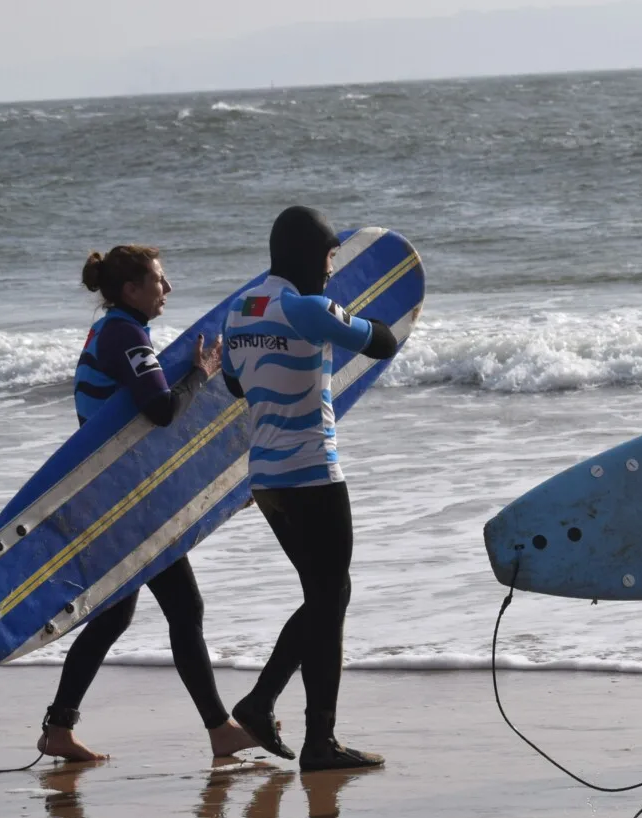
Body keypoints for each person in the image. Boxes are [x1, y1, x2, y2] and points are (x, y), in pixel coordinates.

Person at [38, 247, 257, 762]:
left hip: (121, 494)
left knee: (118, 616)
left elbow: (143, 431)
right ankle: (220, 730)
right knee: (185, 608)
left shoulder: (114, 329)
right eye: (159, 279)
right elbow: (160, 410)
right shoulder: (124, 334)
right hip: (125, 501)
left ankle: (58, 728)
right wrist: (202, 372)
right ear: (131, 289)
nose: (169, 288)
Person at [222, 206, 400, 772]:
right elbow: (384, 342)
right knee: (330, 598)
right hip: (313, 472)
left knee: (328, 596)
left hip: (267, 478)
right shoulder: (310, 308)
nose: (330, 271)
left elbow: (233, 382)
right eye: (328, 257)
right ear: (308, 255)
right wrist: (341, 315)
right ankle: (308, 735)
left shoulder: (239, 312)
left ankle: (269, 707)